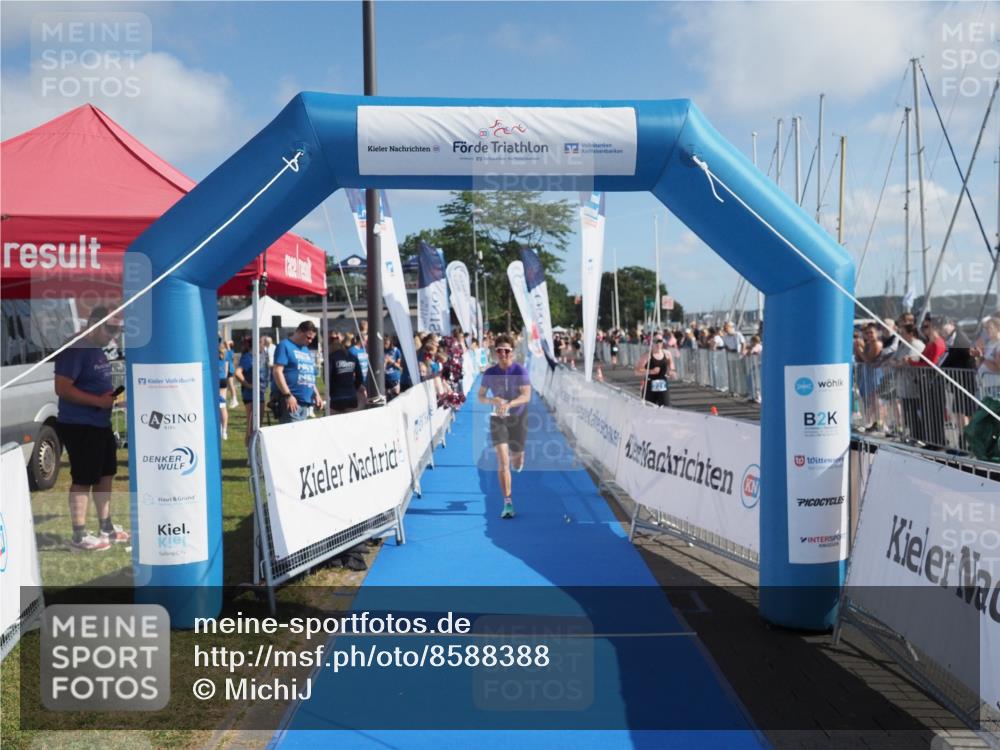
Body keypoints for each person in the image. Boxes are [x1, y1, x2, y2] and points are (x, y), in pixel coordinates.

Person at [53, 307, 130, 551]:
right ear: (95, 323)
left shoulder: (95, 349)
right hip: (80, 425)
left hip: (99, 423)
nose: (114, 335)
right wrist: (98, 401)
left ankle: (105, 526)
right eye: (110, 329)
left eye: (118, 330)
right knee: (84, 478)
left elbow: (91, 383)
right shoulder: (77, 348)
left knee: (105, 474)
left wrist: (110, 399)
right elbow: (62, 388)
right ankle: (79, 536)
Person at [478, 334, 532, 520]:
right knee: (503, 461)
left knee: (516, 458)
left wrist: (509, 404)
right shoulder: (490, 373)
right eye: (499, 350)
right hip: (498, 418)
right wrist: (494, 400)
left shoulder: (520, 371)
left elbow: (526, 396)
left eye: (506, 350)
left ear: (512, 352)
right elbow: (481, 397)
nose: (502, 353)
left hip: (518, 417)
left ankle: (520, 457)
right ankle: (507, 502)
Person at [272, 321, 325, 423]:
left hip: (305, 402)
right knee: (292, 435)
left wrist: (316, 394)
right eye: (308, 337)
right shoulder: (284, 345)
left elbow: (309, 374)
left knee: (301, 436)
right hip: (290, 400)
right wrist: (288, 395)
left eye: (312, 339)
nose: (310, 341)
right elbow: (277, 372)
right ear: (299, 331)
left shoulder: (305, 350)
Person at [235, 336, 269, 450]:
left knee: (259, 424)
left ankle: (255, 451)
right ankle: (250, 453)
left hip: (261, 393)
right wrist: (249, 385)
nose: (263, 346)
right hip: (250, 395)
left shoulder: (261, 357)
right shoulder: (247, 357)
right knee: (251, 425)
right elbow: (238, 373)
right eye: (261, 343)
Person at [328, 332, 367, 413]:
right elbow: (360, 377)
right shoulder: (352, 357)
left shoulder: (331, 358)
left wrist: (331, 391)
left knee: (335, 423)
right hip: (351, 396)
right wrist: (353, 388)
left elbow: (327, 378)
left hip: (336, 397)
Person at [635, 336, 675, 406]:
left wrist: (671, 371)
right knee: (649, 408)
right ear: (652, 343)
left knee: (666, 408)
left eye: (660, 342)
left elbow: (671, 365)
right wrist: (650, 371)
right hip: (649, 385)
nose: (658, 344)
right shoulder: (647, 356)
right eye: (656, 342)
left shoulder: (667, 354)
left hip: (663, 385)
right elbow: (637, 371)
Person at [217, 341, 231, 440]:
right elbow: (226, 370)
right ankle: (224, 430)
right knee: (222, 406)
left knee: (218, 406)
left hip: (217, 380)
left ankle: (222, 429)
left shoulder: (214, 353)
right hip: (223, 380)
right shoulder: (226, 354)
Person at [384, 335, 403, 400]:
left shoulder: (396, 351)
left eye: (386, 344)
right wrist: (385, 362)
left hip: (394, 378)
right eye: (384, 343)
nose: (385, 345)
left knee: (396, 398)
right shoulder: (381, 351)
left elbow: (399, 367)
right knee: (387, 398)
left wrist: (391, 361)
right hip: (385, 378)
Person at [225, 339, 239, 408]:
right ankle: (232, 399)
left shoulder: (230, 351)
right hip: (227, 369)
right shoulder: (227, 351)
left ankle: (234, 399)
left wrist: (229, 342)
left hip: (229, 369)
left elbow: (226, 342)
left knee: (231, 385)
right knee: (228, 385)